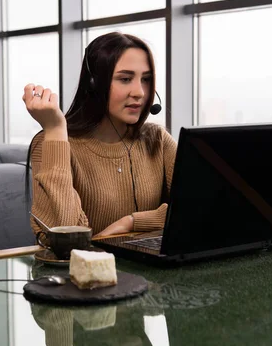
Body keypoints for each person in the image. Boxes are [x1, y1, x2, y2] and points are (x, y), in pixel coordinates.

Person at [23, 32, 177, 238]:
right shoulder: (50, 143)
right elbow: (63, 235)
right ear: (95, 84)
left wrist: (132, 222)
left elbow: (202, 206)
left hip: (148, 269)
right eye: (125, 79)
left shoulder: (156, 139)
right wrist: (55, 130)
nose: (139, 92)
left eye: (146, 79)